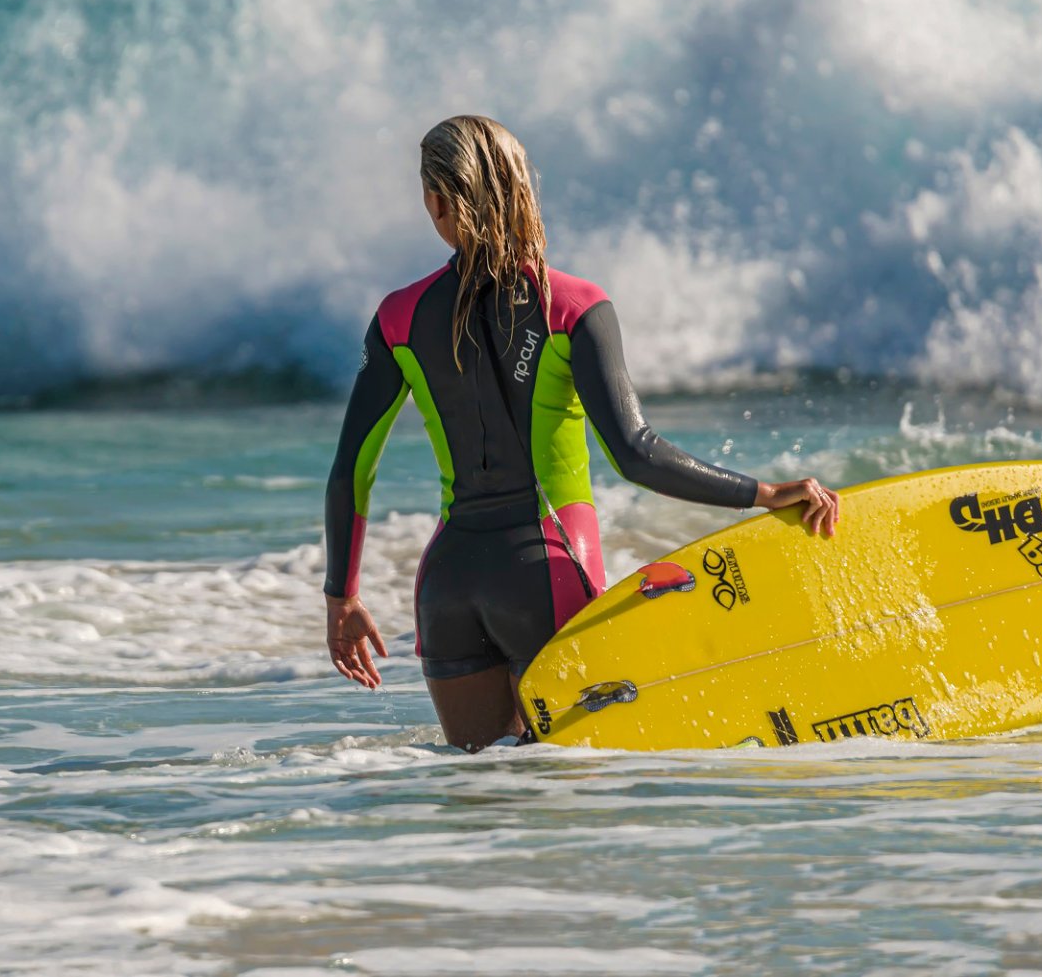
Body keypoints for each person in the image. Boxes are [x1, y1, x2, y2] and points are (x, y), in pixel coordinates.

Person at [322, 115, 841, 751]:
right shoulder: (571, 305)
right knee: (572, 797)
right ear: (523, 188)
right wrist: (764, 493)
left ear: (435, 202)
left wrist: (342, 598)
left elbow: (351, 471)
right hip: (547, 571)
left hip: (447, 585)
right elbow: (636, 454)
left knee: (477, 799)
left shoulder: (397, 316)